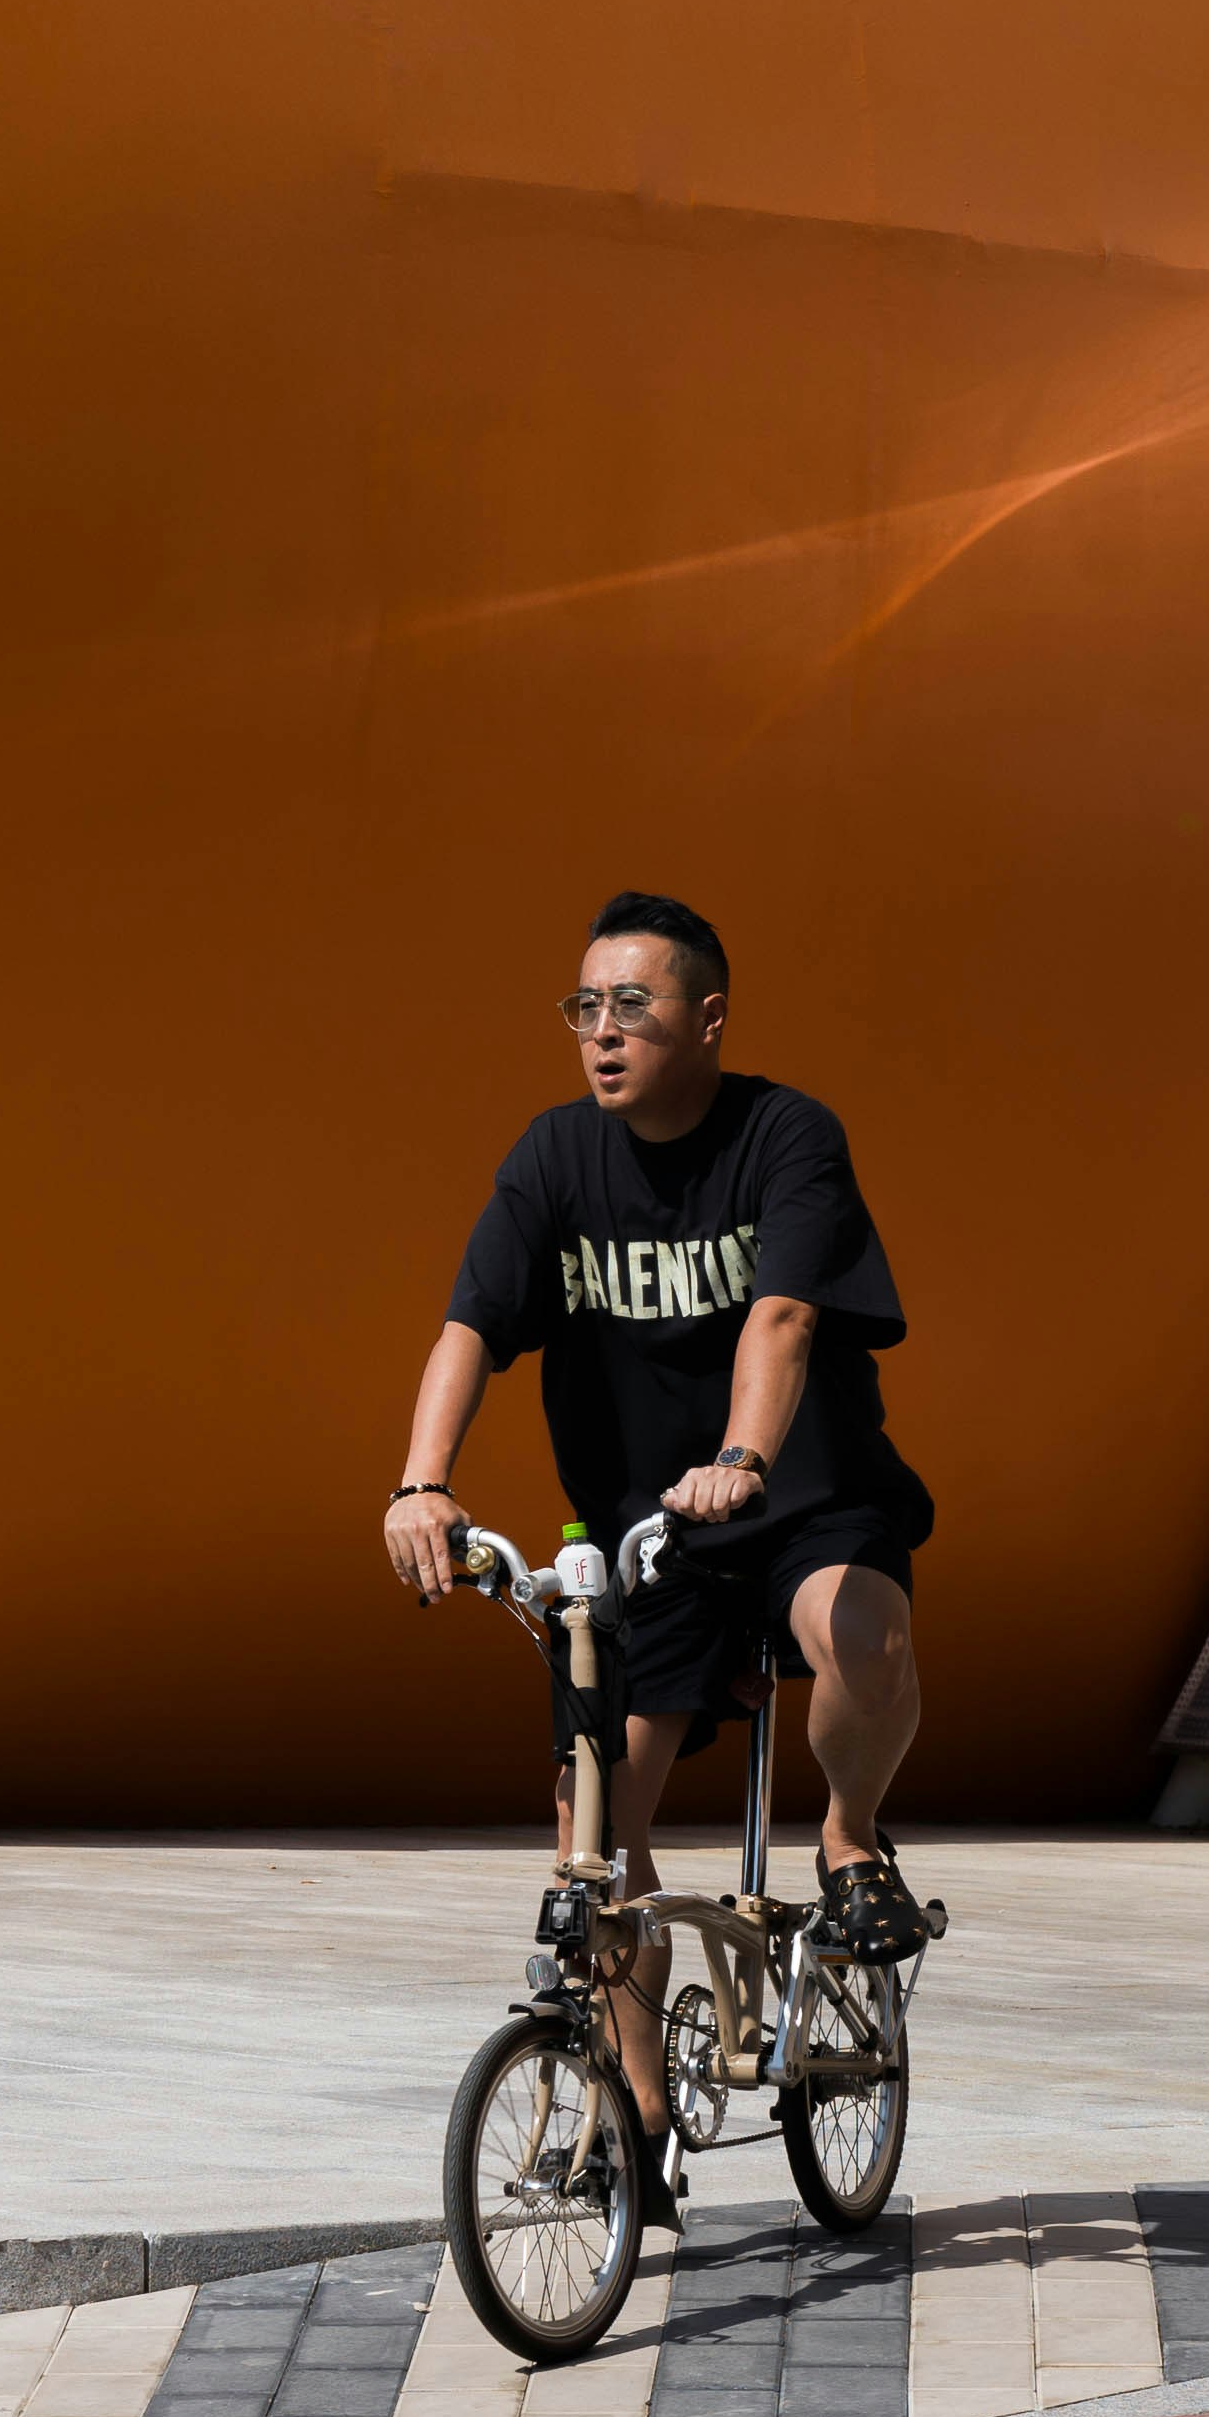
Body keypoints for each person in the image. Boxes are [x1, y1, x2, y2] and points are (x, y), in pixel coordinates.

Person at [380, 892, 931, 2188]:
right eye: (586, 1006)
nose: (604, 1031)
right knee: (593, 1829)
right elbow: (470, 1325)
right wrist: (421, 1481)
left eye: (635, 1003)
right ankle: (634, 2118)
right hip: (648, 1537)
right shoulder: (555, 1159)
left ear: (710, 1018)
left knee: (859, 1626)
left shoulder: (785, 1138)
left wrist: (744, 1456)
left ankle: (851, 1835)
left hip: (796, 1497)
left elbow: (784, 1315)